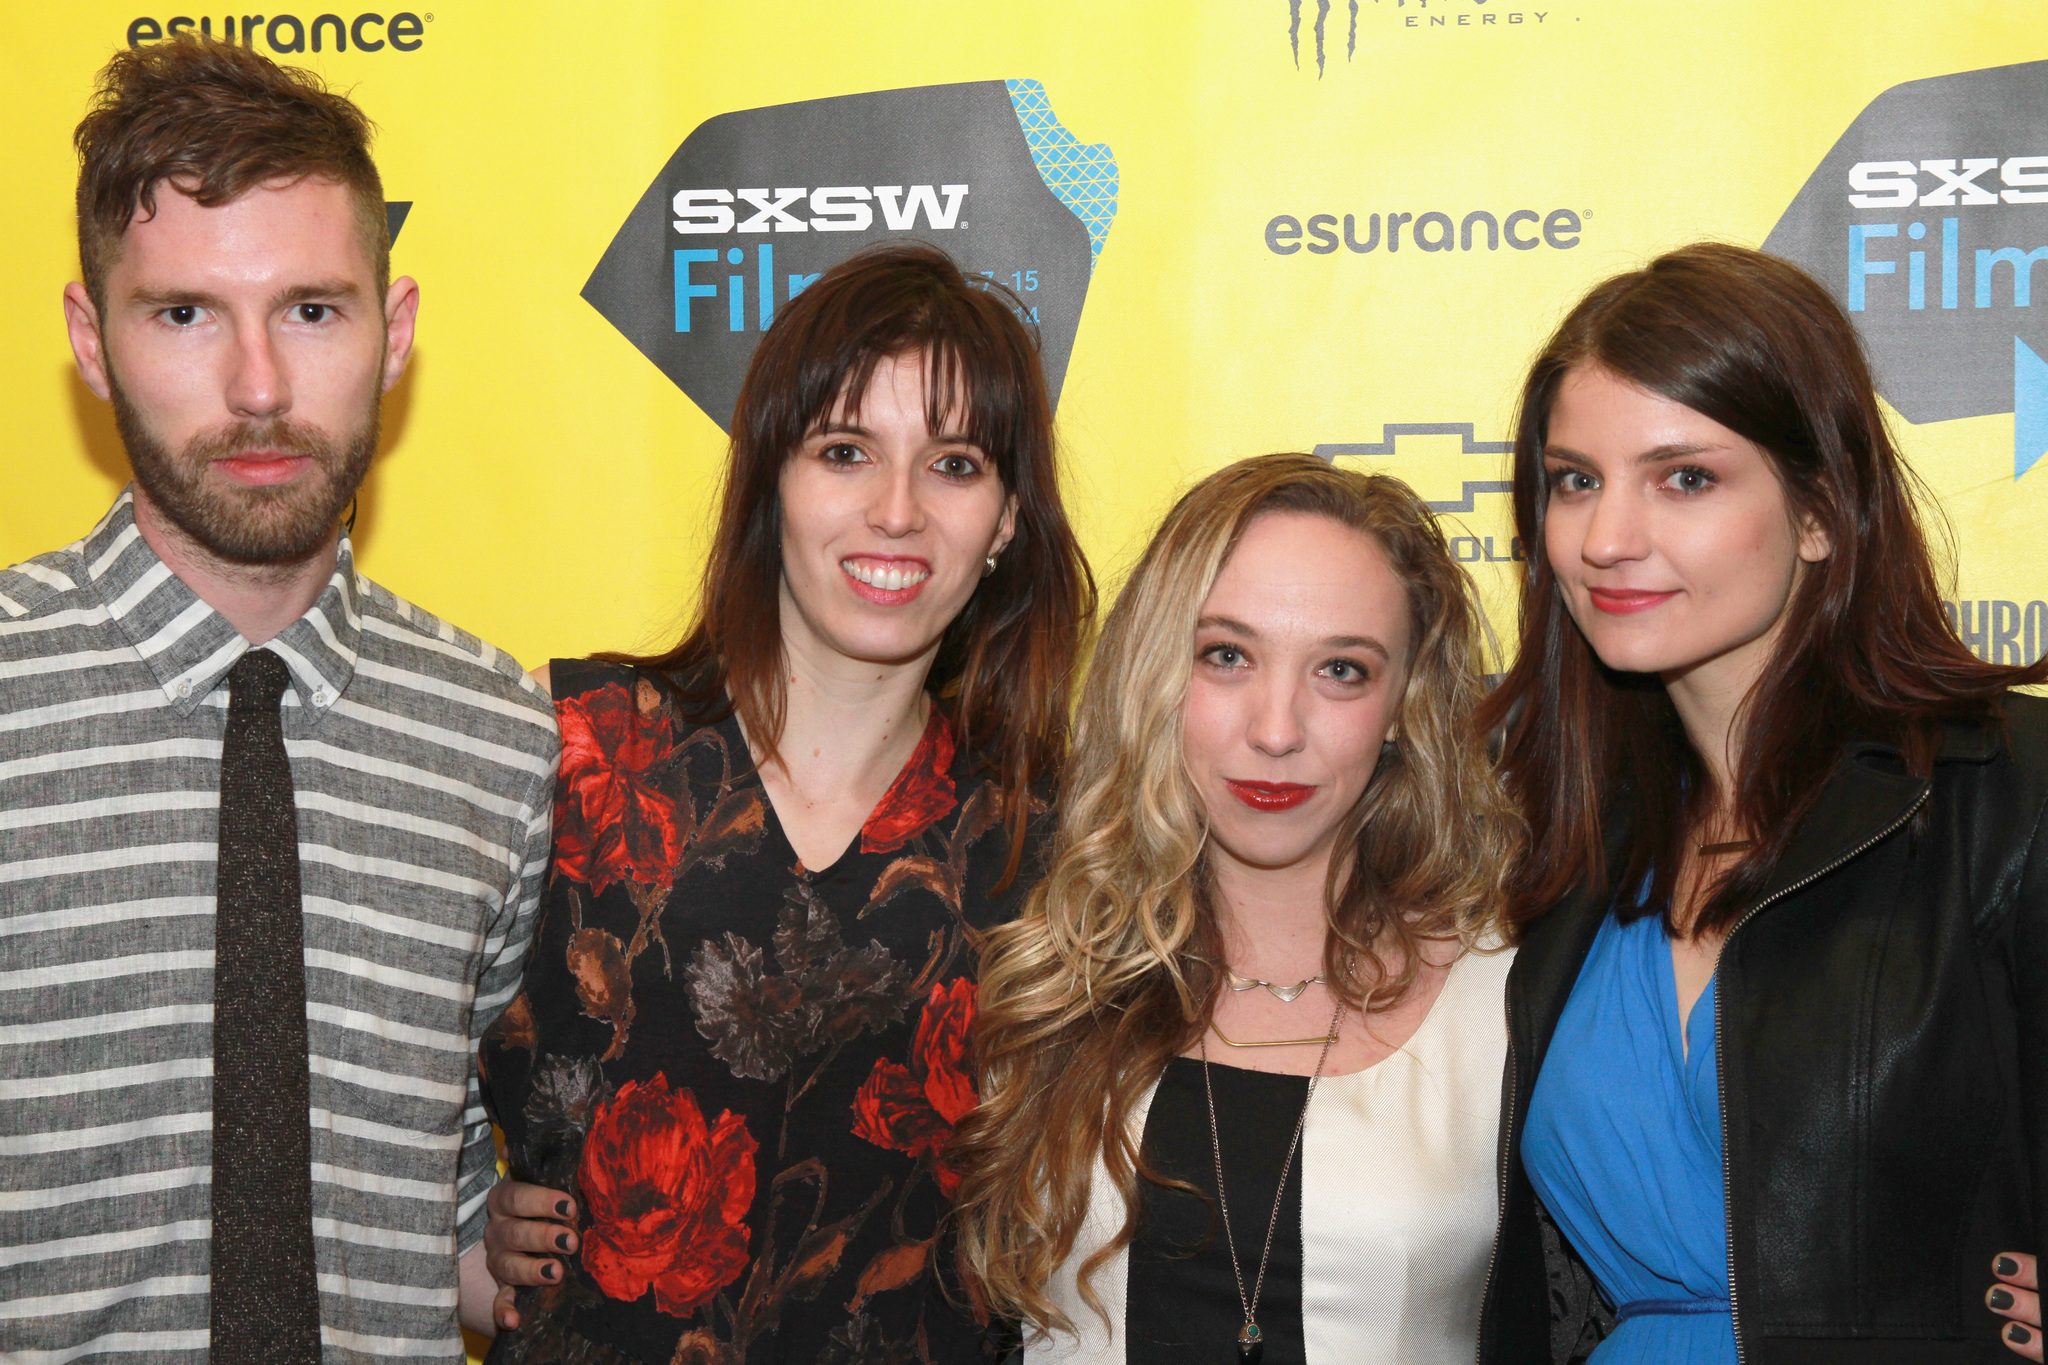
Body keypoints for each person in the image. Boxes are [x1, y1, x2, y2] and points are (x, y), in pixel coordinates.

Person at [0, 36, 558, 1362]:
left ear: (395, 327)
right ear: (92, 339)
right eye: (184, 313)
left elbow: (457, 1229)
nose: (258, 388)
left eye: (311, 309)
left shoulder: (501, 737)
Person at [469, 242, 1095, 1362]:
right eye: (845, 451)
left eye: (954, 466)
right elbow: (370, 1043)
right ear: (769, 480)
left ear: (1005, 522)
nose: (896, 510)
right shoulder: (576, 745)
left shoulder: (1051, 838)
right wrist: (461, 1227)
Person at [1473, 244, 2047, 1364]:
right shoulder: (1558, 853)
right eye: (1573, 479)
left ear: (1821, 512)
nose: (1604, 539)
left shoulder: (2005, 794)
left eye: (1684, 478)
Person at [951, 453, 1524, 1364]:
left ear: (1402, 709)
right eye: (1227, 655)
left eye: (1341, 669)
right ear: (1156, 675)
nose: (1276, 728)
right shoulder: (1047, 980)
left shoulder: (1510, 1003)